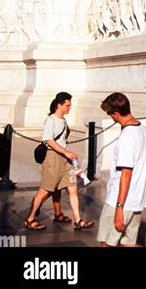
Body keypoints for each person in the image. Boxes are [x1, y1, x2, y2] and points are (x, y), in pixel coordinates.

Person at [24, 92, 94, 231]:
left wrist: (68, 154)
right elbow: (49, 140)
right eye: (67, 105)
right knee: (45, 190)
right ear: (59, 105)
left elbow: (61, 140)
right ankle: (30, 218)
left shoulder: (63, 120)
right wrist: (67, 152)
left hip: (65, 160)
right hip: (53, 158)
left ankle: (78, 220)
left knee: (72, 188)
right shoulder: (51, 120)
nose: (70, 108)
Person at [97, 92, 146, 247]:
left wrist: (119, 207)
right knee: (128, 244)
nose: (110, 117)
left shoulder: (127, 136)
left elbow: (126, 173)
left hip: (120, 201)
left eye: (110, 114)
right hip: (136, 199)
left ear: (116, 113)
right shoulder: (141, 129)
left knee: (106, 243)